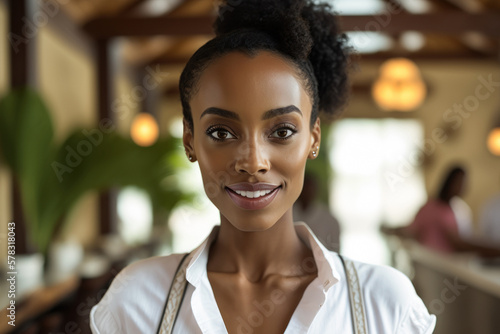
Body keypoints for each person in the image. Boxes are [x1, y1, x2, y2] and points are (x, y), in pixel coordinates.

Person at [90, 1, 436, 333]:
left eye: (282, 131)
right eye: (221, 132)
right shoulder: (135, 300)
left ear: (313, 138)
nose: (253, 162)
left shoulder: (386, 304)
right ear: (190, 139)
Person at [383, 166, 500, 256]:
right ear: (449, 182)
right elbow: (458, 244)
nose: (462, 187)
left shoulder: (456, 208)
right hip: (441, 265)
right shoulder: (434, 208)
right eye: (459, 183)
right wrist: (492, 250)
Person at [293, 172, 341, 252]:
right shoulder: (285, 214)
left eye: (310, 188)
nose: (307, 192)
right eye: (304, 187)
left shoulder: (329, 219)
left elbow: (334, 250)